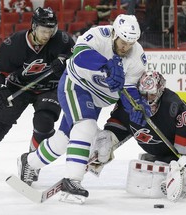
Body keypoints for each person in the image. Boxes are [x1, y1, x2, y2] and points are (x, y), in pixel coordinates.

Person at [17, 14, 148, 204]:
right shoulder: (98, 35)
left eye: (131, 42)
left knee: (63, 140)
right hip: (76, 85)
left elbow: (129, 90)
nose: (126, 47)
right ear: (114, 33)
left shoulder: (137, 57)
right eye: (123, 41)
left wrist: (135, 107)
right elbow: (78, 55)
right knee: (86, 127)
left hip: (97, 100)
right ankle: (72, 181)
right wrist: (105, 65)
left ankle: (29, 162)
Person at [0, 7, 75, 182]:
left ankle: (30, 164)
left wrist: (67, 64)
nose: (47, 35)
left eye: (51, 30)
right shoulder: (15, 43)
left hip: (50, 88)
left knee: (44, 123)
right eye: (44, 30)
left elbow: (78, 60)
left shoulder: (63, 40)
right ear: (34, 27)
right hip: (18, 87)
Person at [90, 71, 186, 202]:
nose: (147, 99)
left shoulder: (171, 104)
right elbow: (118, 122)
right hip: (159, 150)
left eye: (152, 95)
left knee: (182, 156)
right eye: (143, 95)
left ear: (160, 91)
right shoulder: (129, 104)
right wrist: (107, 138)